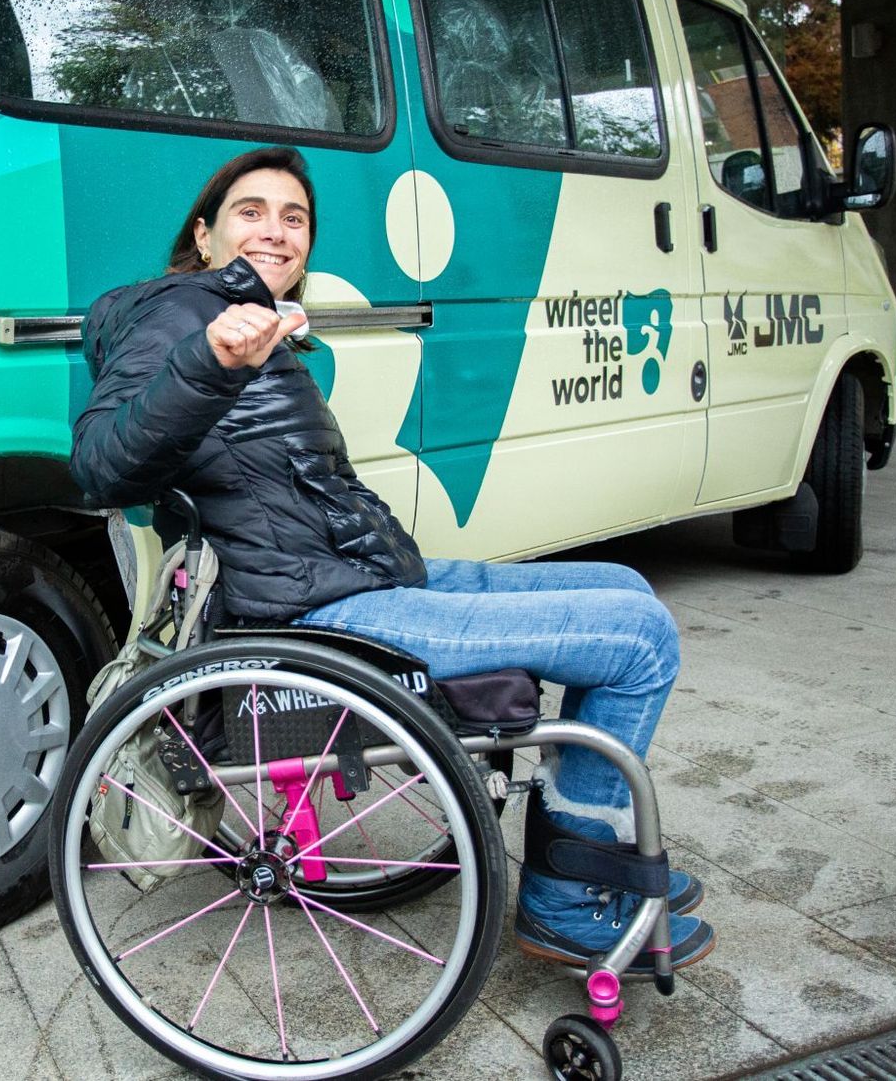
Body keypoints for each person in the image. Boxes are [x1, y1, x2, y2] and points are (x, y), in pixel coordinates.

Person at [69, 145, 715, 972]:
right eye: (251, 211)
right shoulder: (175, 310)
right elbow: (99, 466)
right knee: (639, 639)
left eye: (294, 217)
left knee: (622, 585)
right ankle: (564, 896)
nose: (276, 230)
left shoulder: (252, 319)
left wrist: (251, 347)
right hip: (315, 610)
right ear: (203, 235)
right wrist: (209, 360)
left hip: (356, 574)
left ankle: (578, 856)